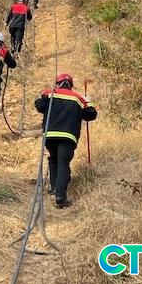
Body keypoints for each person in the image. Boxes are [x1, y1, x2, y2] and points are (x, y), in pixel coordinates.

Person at [34, 73, 97, 208]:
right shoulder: (79, 99)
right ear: (71, 85)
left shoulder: (50, 94)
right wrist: (88, 102)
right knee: (63, 162)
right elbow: (91, 115)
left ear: (58, 83)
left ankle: (54, 188)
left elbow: (39, 106)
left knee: (53, 159)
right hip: (68, 137)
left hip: (50, 135)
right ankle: (61, 196)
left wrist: (43, 96)